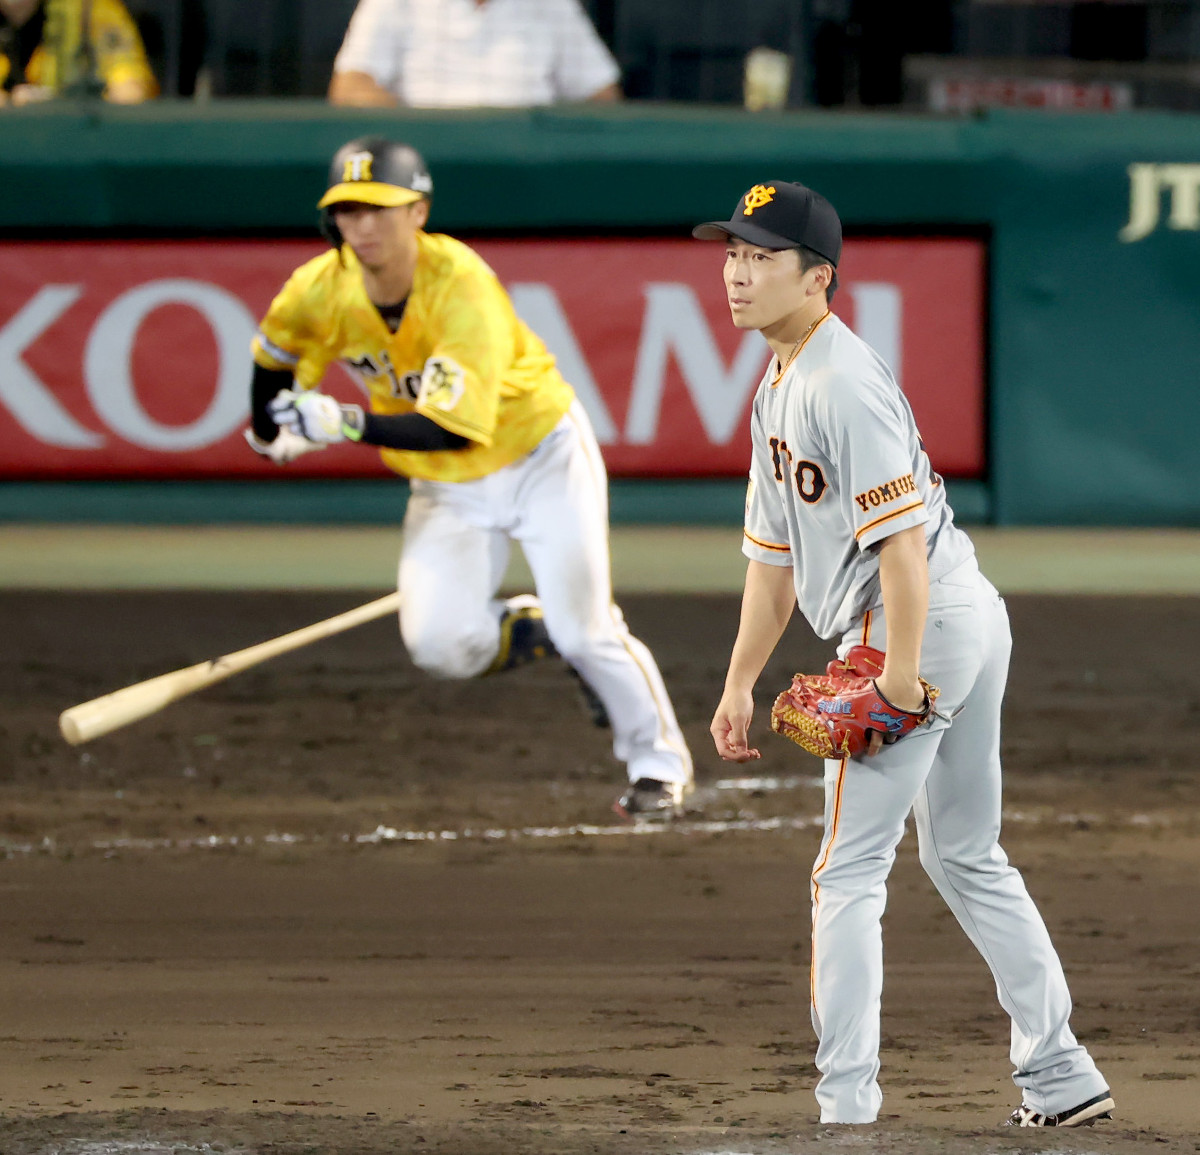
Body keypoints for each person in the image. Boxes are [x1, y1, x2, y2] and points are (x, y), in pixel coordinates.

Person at [699, 181, 1114, 1127]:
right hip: (955, 618)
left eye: (760, 257)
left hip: (919, 623)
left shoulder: (840, 381)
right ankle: (1059, 1073)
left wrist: (895, 672)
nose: (736, 272)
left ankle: (845, 1108)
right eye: (732, 253)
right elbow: (770, 565)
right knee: (966, 852)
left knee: (846, 870)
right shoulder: (778, 384)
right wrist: (736, 683)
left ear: (820, 279)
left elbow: (903, 547)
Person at [244, 136, 692, 821]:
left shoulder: (461, 285)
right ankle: (534, 626)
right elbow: (273, 357)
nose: (362, 226)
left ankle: (658, 768)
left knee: (589, 629)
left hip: (541, 456)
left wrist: (345, 423)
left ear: (418, 211)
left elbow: (453, 426)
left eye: (379, 209)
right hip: (445, 486)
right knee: (442, 646)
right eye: (348, 211)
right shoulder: (318, 288)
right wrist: (272, 425)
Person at [327, 0, 620, 109]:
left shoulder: (552, 5)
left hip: (527, 168)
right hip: (424, 169)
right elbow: (351, 88)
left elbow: (602, 96)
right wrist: (419, 136)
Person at [0, 0, 156, 105]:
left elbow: (131, 93)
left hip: (75, 139)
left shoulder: (90, 11)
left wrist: (53, 104)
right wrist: (10, 103)